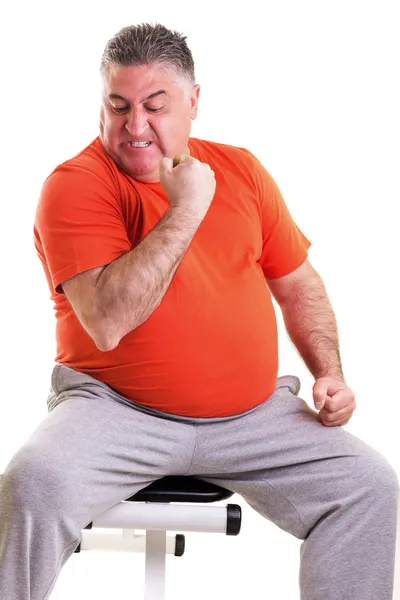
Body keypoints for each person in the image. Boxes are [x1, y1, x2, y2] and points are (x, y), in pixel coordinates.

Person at [0, 22, 398, 600]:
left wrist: (329, 374)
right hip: (115, 411)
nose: (134, 126)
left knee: (368, 486)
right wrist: (184, 211)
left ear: (193, 103)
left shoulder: (241, 171)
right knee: (34, 483)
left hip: (253, 418)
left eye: (155, 107)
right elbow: (107, 324)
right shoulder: (76, 184)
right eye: (118, 106)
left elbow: (298, 284)